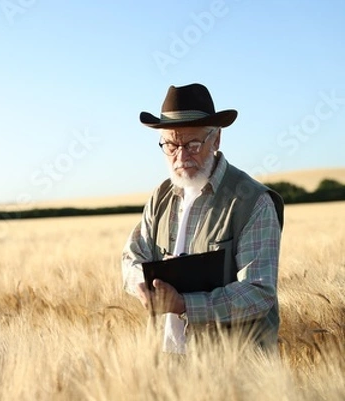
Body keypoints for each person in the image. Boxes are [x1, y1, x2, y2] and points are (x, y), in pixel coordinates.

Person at [121, 83, 284, 353]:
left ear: (216, 139)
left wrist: (185, 304)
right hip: (170, 363)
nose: (181, 156)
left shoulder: (252, 201)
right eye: (171, 145)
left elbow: (258, 292)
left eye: (192, 144)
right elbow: (131, 258)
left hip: (236, 371)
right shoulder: (160, 197)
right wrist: (142, 283)